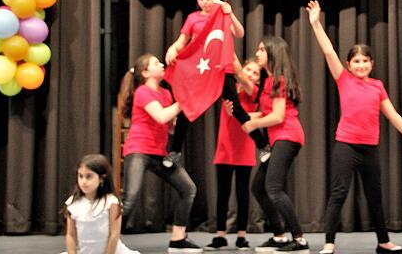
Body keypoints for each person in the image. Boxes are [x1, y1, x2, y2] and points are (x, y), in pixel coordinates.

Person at [307, 0, 402, 254]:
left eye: (365, 61)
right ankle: (329, 243)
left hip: (369, 148)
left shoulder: (377, 86)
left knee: (375, 197)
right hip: (346, 146)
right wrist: (316, 24)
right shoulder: (343, 79)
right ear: (349, 64)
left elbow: (392, 113)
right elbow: (329, 51)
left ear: (371, 63)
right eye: (356, 61)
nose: (361, 65)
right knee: (338, 194)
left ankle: (383, 242)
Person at [164, 0, 269, 167]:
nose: (205, 1)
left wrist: (231, 13)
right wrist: (173, 49)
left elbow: (240, 33)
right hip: (199, 72)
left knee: (236, 108)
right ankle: (175, 151)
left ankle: (263, 145)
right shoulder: (193, 18)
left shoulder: (222, 15)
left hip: (221, 69)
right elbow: (182, 42)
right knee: (186, 109)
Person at [117, 54, 203, 253]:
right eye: (156, 63)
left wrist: (188, 110)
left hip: (158, 152)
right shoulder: (143, 92)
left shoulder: (165, 93)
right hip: (139, 149)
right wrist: (183, 101)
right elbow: (161, 116)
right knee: (130, 198)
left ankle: (178, 240)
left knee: (188, 189)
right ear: (146, 73)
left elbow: (170, 126)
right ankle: (108, 240)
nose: (162, 64)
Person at [242, 37, 308, 253]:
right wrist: (246, 116)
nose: (257, 52)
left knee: (273, 188)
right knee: (258, 188)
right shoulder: (269, 81)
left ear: (273, 53)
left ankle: (299, 240)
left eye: (262, 49)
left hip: (287, 135)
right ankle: (279, 236)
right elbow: (268, 112)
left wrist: (254, 123)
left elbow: (278, 116)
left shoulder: (279, 79)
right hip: (279, 137)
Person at [205, 58, 264, 251]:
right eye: (248, 69)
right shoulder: (229, 88)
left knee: (242, 192)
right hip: (225, 144)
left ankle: (241, 236)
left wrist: (246, 115)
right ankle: (220, 234)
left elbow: (257, 114)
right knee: (223, 192)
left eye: (256, 73)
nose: (251, 75)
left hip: (244, 146)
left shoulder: (253, 92)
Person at [61, 154, 139, 254]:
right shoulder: (72, 203)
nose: (83, 181)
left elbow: (114, 235)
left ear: (102, 178)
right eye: (80, 176)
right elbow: (70, 235)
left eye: (89, 176)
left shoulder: (111, 203)